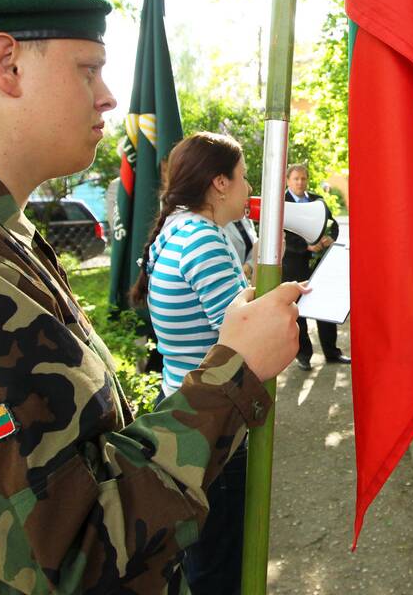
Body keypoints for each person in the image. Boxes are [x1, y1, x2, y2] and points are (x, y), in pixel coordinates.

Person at [0, 0, 303, 592]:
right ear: (6, 64)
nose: (109, 96)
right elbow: (77, 552)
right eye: (88, 68)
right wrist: (235, 374)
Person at [130, 133, 253, 594]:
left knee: (205, 558)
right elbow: (245, 333)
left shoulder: (179, 229)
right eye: (243, 178)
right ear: (219, 183)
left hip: (185, 406)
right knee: (219, 567)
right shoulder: (202, 238)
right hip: (213, 423)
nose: (247, 188)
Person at [282, 164, 348, 370]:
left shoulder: (317, 200)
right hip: (294, 265)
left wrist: (330, 237)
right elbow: (280, 234)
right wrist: (306, 246)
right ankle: (303, 355)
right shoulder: (281, 203)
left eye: (303, 178)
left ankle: (332, 351)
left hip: (319, 264)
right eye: (296, 179)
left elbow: (332, 224)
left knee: (324, 307)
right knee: (298, 312)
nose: (300, 182)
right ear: (287, 180)